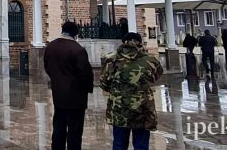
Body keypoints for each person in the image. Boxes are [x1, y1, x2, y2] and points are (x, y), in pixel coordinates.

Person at [100, 32, 164, 150]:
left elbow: (104, 83)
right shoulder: (150, 61)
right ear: (140, 43)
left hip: (119, 108)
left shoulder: (112, 60)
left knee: (119, 144)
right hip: (143, 109)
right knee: (141, 145)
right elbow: (156, 76)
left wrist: (117, 90)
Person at [43, 21, 94, 150]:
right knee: (75, 131)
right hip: (76, 97)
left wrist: (57, 79)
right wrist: (88, 87)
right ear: (75, 34)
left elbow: (47, 67)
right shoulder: (77, 49)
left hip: (58, 94)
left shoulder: (51, 47)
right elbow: (85, 74)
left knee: (59, 127)